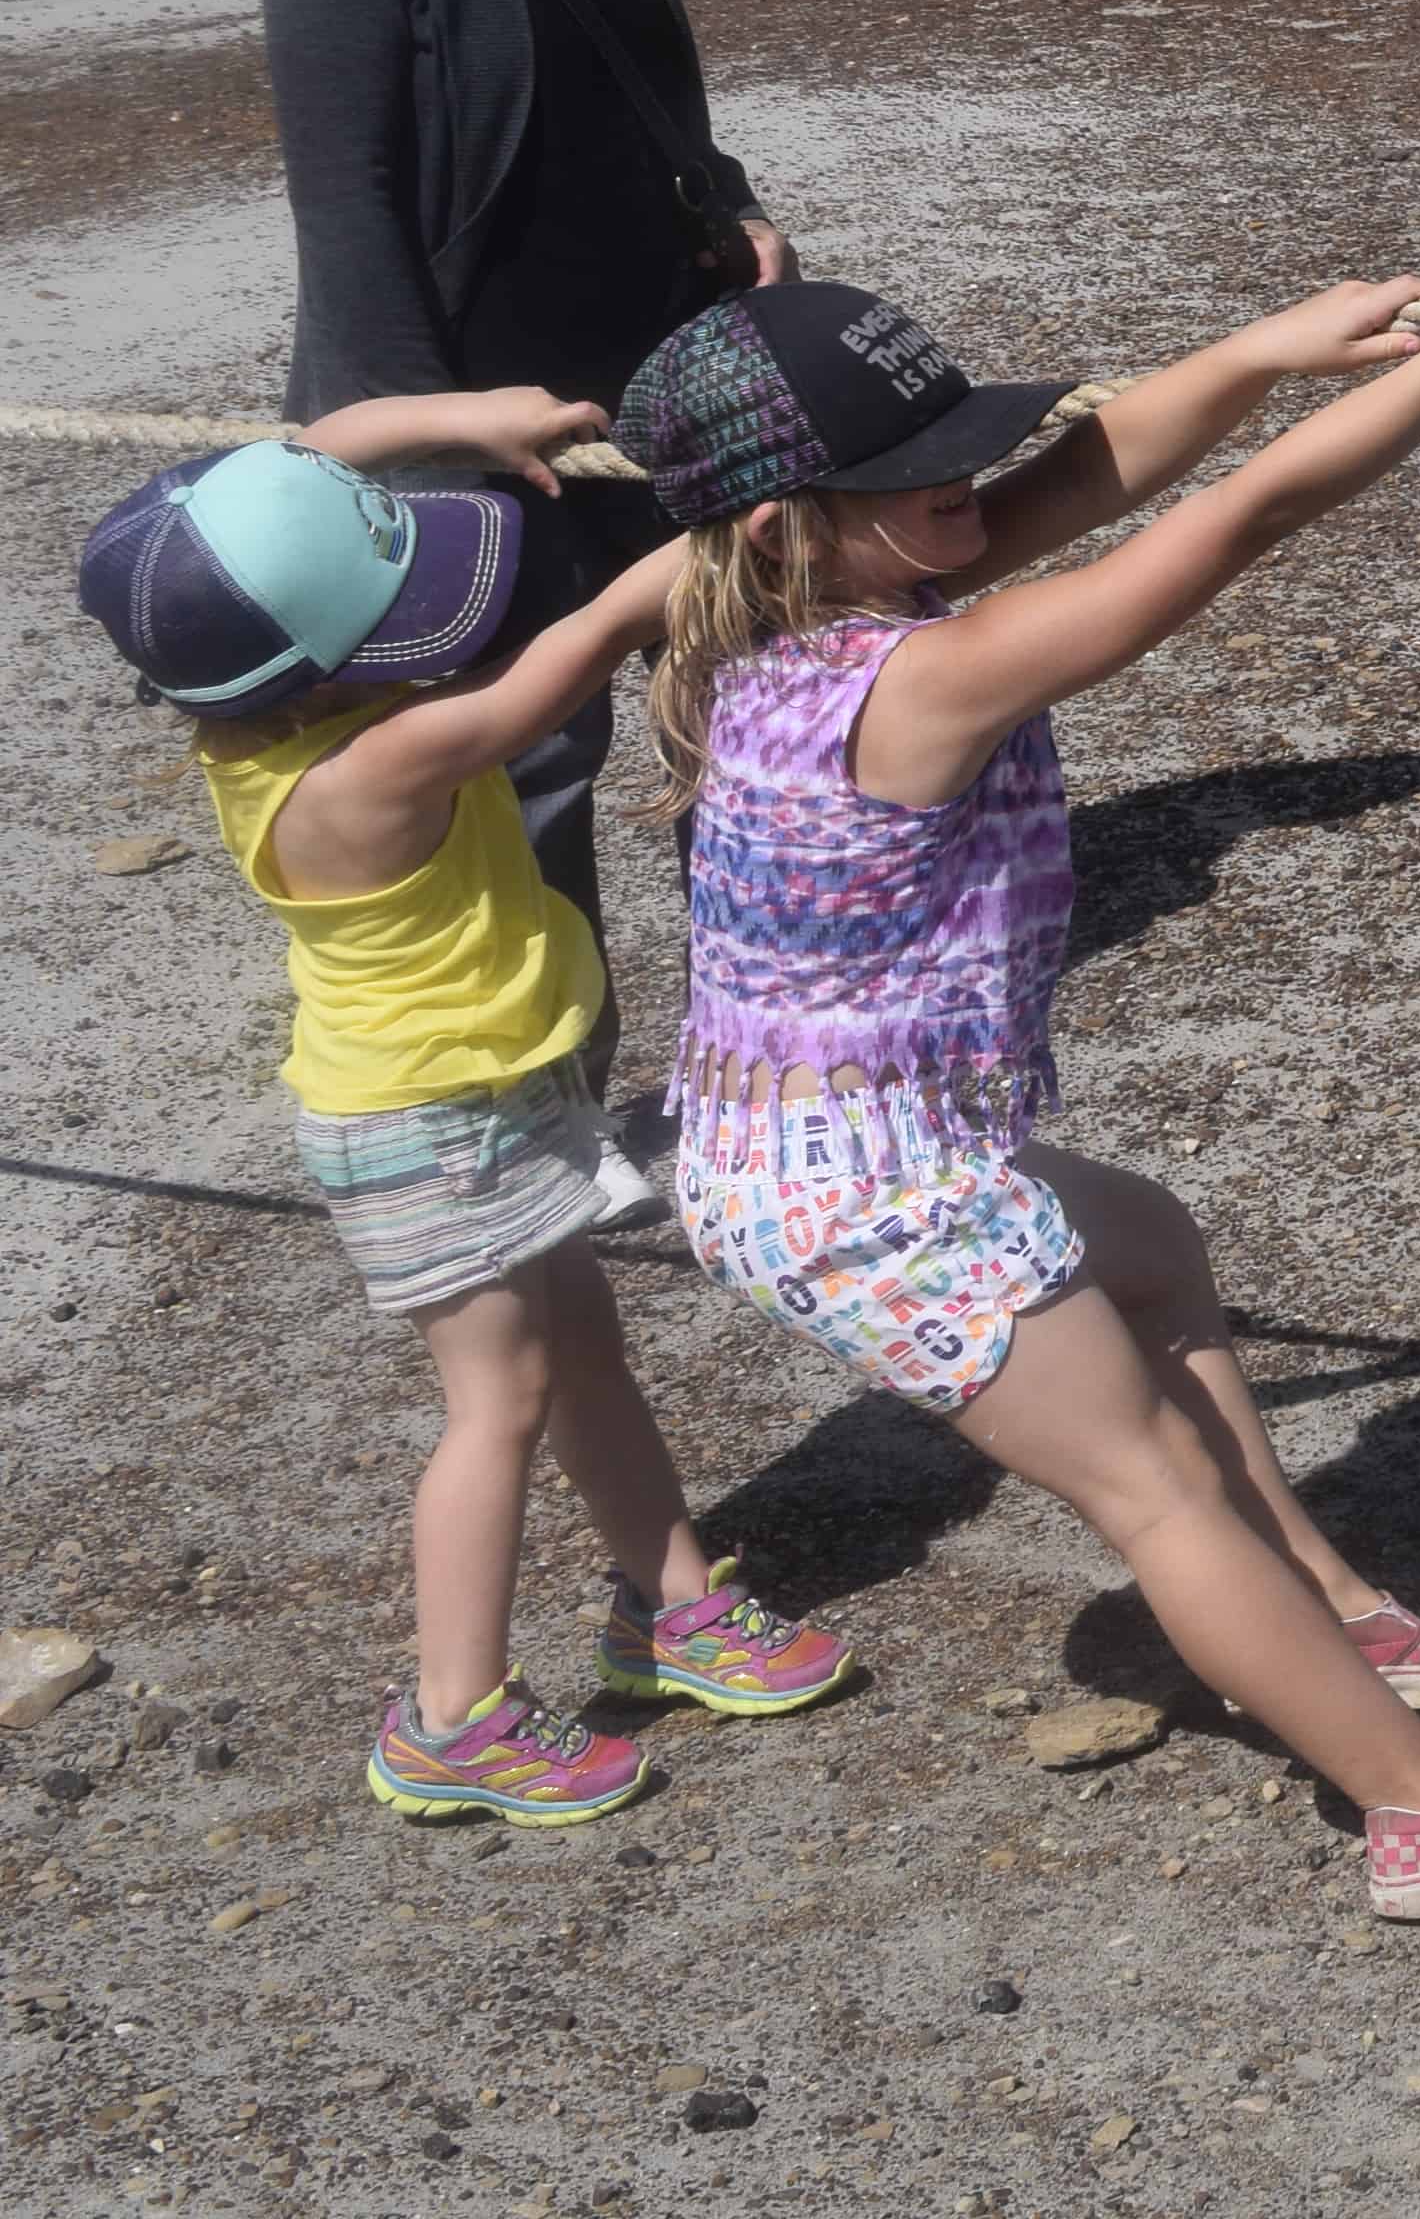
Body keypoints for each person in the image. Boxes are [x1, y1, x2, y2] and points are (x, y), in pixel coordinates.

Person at [619, 254, 1420, 1924]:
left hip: (822, 1149)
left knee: (1149, 1250)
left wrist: (1267, 344)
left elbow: (1086, 473)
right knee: (1154, 1489)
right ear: (797, 524)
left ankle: (1328, 1598)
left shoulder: (798, 608)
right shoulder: (921, 675)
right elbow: (1223, 529)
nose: (966, 486)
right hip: (872, 1193)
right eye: (914, 472)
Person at [79, 398, 850, 1829]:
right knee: (496, 1407)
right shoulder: (363, 770)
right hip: (428, 1125)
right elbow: (543, 681)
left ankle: (665, 1607)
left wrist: (461, 421)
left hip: (497, 1094)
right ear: (325, 673)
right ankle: (453, 1718)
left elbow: (321, 445)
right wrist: (685, 560)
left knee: (583, 1351)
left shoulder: (266, 711)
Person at [259, 0, 791, 1187]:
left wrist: (724, 195)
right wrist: (419, 436)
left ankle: (761, 1052)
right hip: (490, 413)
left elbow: (638, 59)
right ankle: (562, 1102)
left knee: (738, 696)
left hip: (661, 360)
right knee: (533, 762)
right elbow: (344, 199)